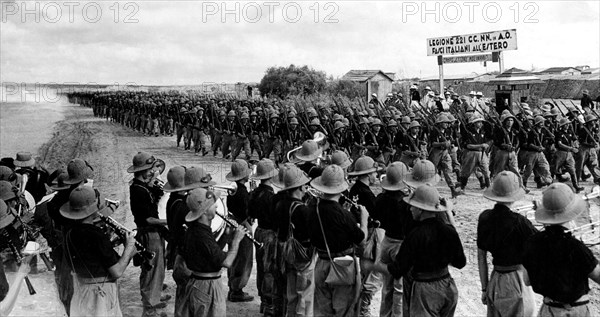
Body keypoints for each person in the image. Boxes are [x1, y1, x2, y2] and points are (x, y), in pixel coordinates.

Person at [384, 184, 466, 317]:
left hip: (425, 290)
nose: (410, 209)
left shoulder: (415, 235)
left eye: (413, 206)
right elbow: (460, 262)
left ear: (421, 210)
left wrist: (377, 266)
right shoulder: (448, 230)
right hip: (447, 285)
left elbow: (399, 269)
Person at [522, 183, 600, 316]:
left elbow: (527, 280)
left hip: (550, 309)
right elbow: (598, 275)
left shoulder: (532, 243)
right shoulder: (576, 247)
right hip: (577, 309)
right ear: (571, 212)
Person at [61, 186, 137, 316]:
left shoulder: (69, 234)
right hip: (100, 295)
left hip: (81, 292)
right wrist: (129, 248)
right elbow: (117, 271)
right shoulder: (96, 235)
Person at [308, 164, 368, 317]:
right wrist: (364, 220)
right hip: (343, 265)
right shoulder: (343, 215)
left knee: (323, 310)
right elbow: (361, 240)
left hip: (321, 262)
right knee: (344, 309)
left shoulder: (312, 208)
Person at [177, 188, 247, 317]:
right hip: (206, 286)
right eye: (212, 204)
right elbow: (226, 262)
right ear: (204, 211)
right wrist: (236, 240)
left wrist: (226, 236)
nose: (216, 206)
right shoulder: (201, 234)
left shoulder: (197, 229)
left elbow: (211, 254)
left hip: (199, 283)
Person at [478, 171, 537, 317]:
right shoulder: (520, 222)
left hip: (496, 279)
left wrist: (485, 289)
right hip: (517, 280)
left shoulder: (484, 217)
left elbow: (481, 257)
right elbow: (541, 245)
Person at [128, 152, 169, 317]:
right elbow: (148, 219)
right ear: (141, 170)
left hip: (153, 233)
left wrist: (152, 181)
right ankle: (149, 308)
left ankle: (154, 297)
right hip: (148, 233)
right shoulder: (138, 190)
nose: (153, 171)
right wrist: (167, 221)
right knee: (150, 269)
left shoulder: (142, 185)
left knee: (158, 267)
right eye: (150, 169)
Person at [273, 163, 314, 316]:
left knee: (291, 296)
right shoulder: (302, 209)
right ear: (301, 187)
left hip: (286, 254)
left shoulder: (280, 204)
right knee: (304, 297)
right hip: (302, 257)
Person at [375, 162, 413, 317]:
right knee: (400, 289)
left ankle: (384, 314)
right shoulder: (406, 202)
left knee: (387, 286)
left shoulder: (381, 199)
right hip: (400, 244)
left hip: (386, 241)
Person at [347, 156, 383, 317]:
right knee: (373, 275)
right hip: (370, 236)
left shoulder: (354, 189)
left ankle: (358, 307)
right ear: (368, 175)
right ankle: (363, 309)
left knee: (363, 274)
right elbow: (378, 215)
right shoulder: (367, 194)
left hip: (359, 233)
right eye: (375, 173)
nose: (376, 176)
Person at [247, 159, 278, 314]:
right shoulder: (271, 196)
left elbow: (251, 213)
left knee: (261, 267)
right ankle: (269, 304)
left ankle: (263, 301)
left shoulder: (255, 193)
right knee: (270, 270)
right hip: (269, 234)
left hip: (259, 230)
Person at [225, 159, 254, 302]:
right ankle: (238, 290)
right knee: (244, 258)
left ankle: (233, 287)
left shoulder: (233, 189)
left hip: (232, 224)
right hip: (242, 225)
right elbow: (246, 211)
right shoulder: (242, 192)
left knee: (234, 255)